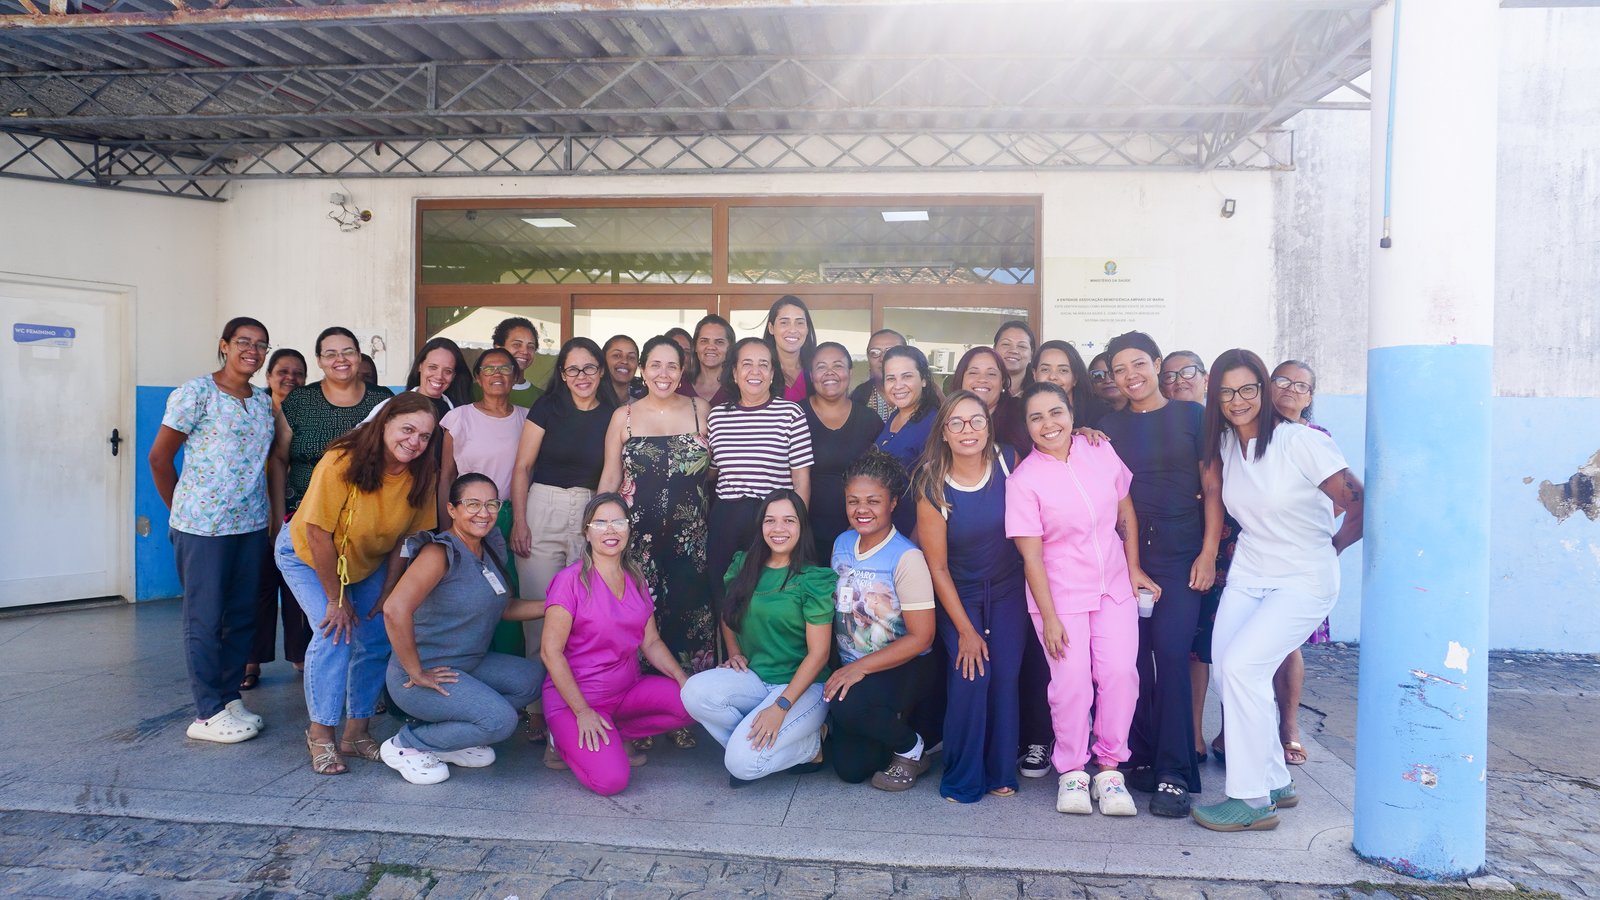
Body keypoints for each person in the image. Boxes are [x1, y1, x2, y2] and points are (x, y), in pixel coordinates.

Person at [1191, 350, 1363, 832]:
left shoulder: (1301, 442)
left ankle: (1251, 800)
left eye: (1248, 388)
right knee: (1228, 674)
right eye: (1226, 391)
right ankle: (1274, 778)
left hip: (1302, 579)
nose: (1237, 400)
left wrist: (1331, 548)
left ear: (1264, 390)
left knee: (1243, 668)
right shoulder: (1226, 443)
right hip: (1250, 572)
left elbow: (1360, 502)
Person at [1006, 382, 1159, 817]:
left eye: (1056, 412)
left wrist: (1133, 567)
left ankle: (1109, 769)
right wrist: (1049, 617)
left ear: (1071, 413)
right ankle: (1072, 770)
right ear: (1027, 426)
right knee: (1070, 684)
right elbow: (1031, 556)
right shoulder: (1023, 481)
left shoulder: (1100, 450)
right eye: (1036, 417)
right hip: (1059, 597)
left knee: (1120, 675)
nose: (1048, 424)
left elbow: (1125, 511)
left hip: (1113, 586)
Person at [275, 391, 439, 775]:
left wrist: (388, 591)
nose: (414, 442)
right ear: (384, 424)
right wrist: (336, 599)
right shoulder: (342, 460)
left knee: (377, 634)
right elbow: (317, 533)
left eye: (424, 436)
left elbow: (405, 539)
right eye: (407, 429)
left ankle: (356, 733)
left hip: (364, 563)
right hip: (307, 555)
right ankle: (321, 734)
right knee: (335, 632)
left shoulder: (421, 474)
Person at [1099, 331, 1222, 816]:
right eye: (1119, 369)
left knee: (1171, 656)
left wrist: (1208, 553)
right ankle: (1144, 757)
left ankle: (1174, 772)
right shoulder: (1107, 426)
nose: (1130, 375)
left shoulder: (1192, 416)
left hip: (1181, 554)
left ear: (1155, 363)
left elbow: (1212, 487)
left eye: (1138, 364)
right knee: (1133, 660)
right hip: (1126, 555)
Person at [148, 317, 277, 744]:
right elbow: (159, 459)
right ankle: (206, 712)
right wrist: (183, 511)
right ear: (224, 345)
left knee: (241, 615)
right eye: (244, 342)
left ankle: (227, 697)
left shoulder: (262, 402)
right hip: (202, 528)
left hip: (250, 523)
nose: (253, 351)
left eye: (261, 345)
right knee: (204, 618)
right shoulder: (196, 393)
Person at [378, 474, 546, 784]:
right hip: (419, 675)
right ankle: (407, 744)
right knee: (500, 722)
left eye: (491, 504)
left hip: (467, 663)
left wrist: (556, 606)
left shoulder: (489, 547)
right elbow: (394, 609)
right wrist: (415, 671)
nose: (484, 513)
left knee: (533, 680)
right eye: (472, 504)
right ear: (452, 509)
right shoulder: (439, 552)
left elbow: (502, 607)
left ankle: (453, 739)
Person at [541, 493, 698, 795]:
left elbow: (650, 641)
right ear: (587, 532)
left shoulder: (635, 577)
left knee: (696, 702)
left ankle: (614, 733)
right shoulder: (569, 581)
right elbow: (551, 652)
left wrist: (682, 679)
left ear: (628, 528)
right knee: (611, 781)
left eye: (618, 522)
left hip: (626, 692)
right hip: (575, 701)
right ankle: (560, 739)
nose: (610, 530)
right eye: (600, 523)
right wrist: (582, 711)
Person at [914, 391, 1026, 802]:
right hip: (959, 594)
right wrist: (965, 630)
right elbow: (938, 568)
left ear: (988, 426)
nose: (968, 430)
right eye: (957, 422)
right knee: (971, 676)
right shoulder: (931, 484)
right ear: (944, 432)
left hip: (1008, 589)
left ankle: (1000, 770)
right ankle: (962, 776)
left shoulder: (1008, 460)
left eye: (977, 420)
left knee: (1005, 677)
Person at [681, 490, 834, 785]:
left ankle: (812, 745)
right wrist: (734, 651)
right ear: (760, 525)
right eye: (770, 520)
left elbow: (819, 656)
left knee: (741, 765)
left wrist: (781, 707)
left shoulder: (813, 579)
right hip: (755, 679)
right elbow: (729, 613)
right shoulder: (745, 565)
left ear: (802, 526)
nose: (778, 529)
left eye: (789, 520)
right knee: (693, 692)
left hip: (802, 687)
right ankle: (768, 740)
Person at [599, 337, 716, 716]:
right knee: (639, 623)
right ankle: (641, 711)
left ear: (682, 372)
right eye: (655, 365)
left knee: (689, 620)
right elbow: (610, 478)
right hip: (636, 541)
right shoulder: (624, 417)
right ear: (643, 370)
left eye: (672, 366)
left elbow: (717, 470)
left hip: (691, 541)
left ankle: (687, 713)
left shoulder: (700, 410)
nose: (663, 374)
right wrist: (597, 530)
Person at [510, 337, 616, 742]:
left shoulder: (612, 413)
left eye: (589, 367)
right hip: (543, 506)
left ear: (600, 371)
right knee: (540, 612)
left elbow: (612, 470)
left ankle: (577, 708)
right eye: (573, 369)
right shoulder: (547, 407)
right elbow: (522, 467)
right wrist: (520, 521)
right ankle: (537, 709)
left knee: (585, 614)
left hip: (590, 509)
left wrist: (600, 522)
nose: (581, 376)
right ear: (563, 374)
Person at [825, 450, 937, 790]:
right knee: (851, 769)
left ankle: (912, 749)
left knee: (847, 706)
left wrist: (860, 668)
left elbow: (922, 638)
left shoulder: (906, 557)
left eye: (873, 501)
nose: (862, 510)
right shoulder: (842, 543)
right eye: (853, 501)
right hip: (852, 662)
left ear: (892, 503)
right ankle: (885, 728)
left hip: (900, 667)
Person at [705, 338, 814, 613]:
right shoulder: (717, 417)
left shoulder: (791, 413)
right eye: (747, 364)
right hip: (726, 517)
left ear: (772, 373)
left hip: (771, 517)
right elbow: (712, 472)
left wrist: (795, 526)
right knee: (724, 594)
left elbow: (801, 481)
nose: (755, 371)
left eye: (763, 364)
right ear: (734, 372)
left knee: (767, 596)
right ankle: (728, 643)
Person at [271, 326, 393, 557]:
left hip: (365, 522)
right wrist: (277, 518)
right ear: (319, 360)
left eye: (348, 352)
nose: (341, 359)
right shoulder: (299, 400)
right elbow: (278, 459)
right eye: (330, 354)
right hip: (301, 518)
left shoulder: (382, 401)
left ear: (358, 356)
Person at [438, 348, 528, 656]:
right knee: (469, 590)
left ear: (516, 376)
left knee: (507, 588)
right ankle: (467, 658)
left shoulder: (527, 419)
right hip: (467, 516)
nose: (496, 374)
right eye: (488, 369)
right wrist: (446, 528)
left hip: (510, 515)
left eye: (505, 368)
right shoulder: (459, 418)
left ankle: (509, 661)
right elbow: (447, 476)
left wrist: (520, 521)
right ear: (477, 378)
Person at [1267, 358, 1333, 767]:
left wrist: (1324, 542)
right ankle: (1235, 730)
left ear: (1309, 397)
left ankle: (1288, 727)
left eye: (1301, 385)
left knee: (1286, 642)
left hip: (1296, 557)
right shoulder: (1249, 431)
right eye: (1283, 380)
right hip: (1244, 549)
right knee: (1240, 646)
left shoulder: (1316, 438)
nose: (1291, 389)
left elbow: (1338, 498)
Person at [247, 347, 309, 688]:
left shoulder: (309, 413)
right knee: (258, 586)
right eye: (283, 371)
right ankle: (251, 660)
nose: (291, 378)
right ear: (269, 376)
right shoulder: (254, 409)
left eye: (298, 373)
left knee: (298, 585)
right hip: (253, 511)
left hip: (296, 509)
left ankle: (301, 655)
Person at [801, 341, 883, 558]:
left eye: (838, 365)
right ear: (811, 375)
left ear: (850, 372)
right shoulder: (795, 415)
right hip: (802, 533)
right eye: (821, 367)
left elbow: (881, 479)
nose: (830, 373)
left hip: (858, 531)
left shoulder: (869, 420)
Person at [873, 344, 940, 538]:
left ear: (924, 379)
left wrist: (913, 545)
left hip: (911, 535)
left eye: (907, 376)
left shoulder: (932, 425)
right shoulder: (896, 416)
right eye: (891, 378)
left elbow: (933, 495)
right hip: (887, 532)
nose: (898, 385)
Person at [366, 337, 471, 422]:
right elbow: (361, 435)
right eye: (433, 367)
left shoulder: (461, 414)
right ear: (420, 366)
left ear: (454, 376)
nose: (439, 376)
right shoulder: (392, 406)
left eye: (447, 371)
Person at [951, 346, 1028, 457]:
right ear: (961, 379)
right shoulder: (947, 416)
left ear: (1002, 382)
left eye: (991, 374)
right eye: (973, 373)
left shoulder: (1022, 415)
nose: (982, 379)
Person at [1028, 340, 1107, 429]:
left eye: (1063, 370)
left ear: (1075, 377)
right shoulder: (1024, 410)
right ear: (1034, 374)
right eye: (1045, 370)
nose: (1053, 377)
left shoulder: (1099, 413)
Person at [764, 295, 816, 402]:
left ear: (807, 329)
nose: (792, 330)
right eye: (784, 322)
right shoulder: (760, 370)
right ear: (771, 328)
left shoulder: (816, 369)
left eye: (799, 323)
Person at [849, 329, 906, 421]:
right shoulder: (858, 398)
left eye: (891, 351)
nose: (882, 358)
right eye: (874, 353)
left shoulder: (923, 397)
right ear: (868, 358)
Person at [680, 314, 735, 405]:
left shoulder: (739, 388)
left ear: (730, 347)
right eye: (704, 341)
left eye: (719, 342)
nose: (711, 347)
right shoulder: (679, 385)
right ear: (695, 346)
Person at [492, 316, 544, 409]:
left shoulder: (543, 398)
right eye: (517, 345)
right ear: (498, 348)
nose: (525, 351)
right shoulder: (476, 391)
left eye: (531, 346)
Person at [993, 321, 1036, 398]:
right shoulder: (983, 387)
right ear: (994, 349)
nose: (1013, 350)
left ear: (1031, 355)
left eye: (1022, 346)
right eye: (1006, 344)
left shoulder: (1038, 393)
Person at [602, 334, 644, 406]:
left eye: (631, 357)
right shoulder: (591, 403)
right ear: (603, 359)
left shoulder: (642, 405)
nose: (625, 361)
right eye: (617, 355)